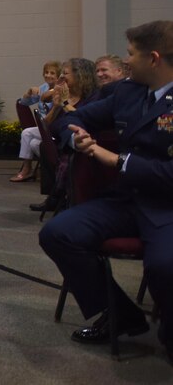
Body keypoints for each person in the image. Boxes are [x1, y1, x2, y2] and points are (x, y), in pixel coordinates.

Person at [39, 20, 173, 363]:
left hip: (165, 205)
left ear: (154, 58)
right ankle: (120, 314)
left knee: (164, 265)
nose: (127, 62)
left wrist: (118, 161)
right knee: (58, 233)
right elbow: (68, 121)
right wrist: (78, 138)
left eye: (131, 54)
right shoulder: (127, 93)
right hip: (126, 200)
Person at [29, 58, 101, 213]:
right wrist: (55, 107)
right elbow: (45, 125)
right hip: (60, 140)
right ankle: (54, 195)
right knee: (44, 146)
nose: (61, 77)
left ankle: (61, 196)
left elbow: (84, 117)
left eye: (65, 73)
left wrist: (64, 103)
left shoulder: (93, 97)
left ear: (80, 75)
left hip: (79, 142)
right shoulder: (63, 95)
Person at [10, 60, 61, 183]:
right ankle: (50, 169)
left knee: (27, 133)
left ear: (59, 76)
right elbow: (23, 103)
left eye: (52, 73)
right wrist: (28, 93)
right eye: (46, 72)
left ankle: (27, 169)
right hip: (44, 127)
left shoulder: (61, 90)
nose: (48, 75)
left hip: (55, 127)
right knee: (33, 144)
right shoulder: (43, 87)